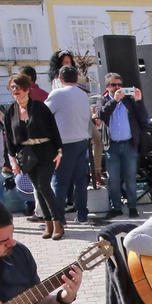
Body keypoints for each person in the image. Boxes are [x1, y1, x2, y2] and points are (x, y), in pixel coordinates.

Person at [5, 73, 65, 237]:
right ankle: (48, 224)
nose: (16, 90)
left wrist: (59, 151)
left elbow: (54, 129)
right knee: (37, 189)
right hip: (26, 153)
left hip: (45, 150)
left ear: (26, 89)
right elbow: (9, 137)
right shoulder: (10, 110)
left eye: (18, 87)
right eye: (13, 87)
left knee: (44, 186)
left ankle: (58, 222)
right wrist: (13, 161)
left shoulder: (39, 107)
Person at [47, 64, 95, 225]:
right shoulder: (83, 95)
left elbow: (45, 114)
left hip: (64, 143)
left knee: (60, 182)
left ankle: (59, 219)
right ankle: (82, 215)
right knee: (80, 181)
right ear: (76, 78)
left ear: (60, 79)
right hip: (82, 140)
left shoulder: (57, 94)